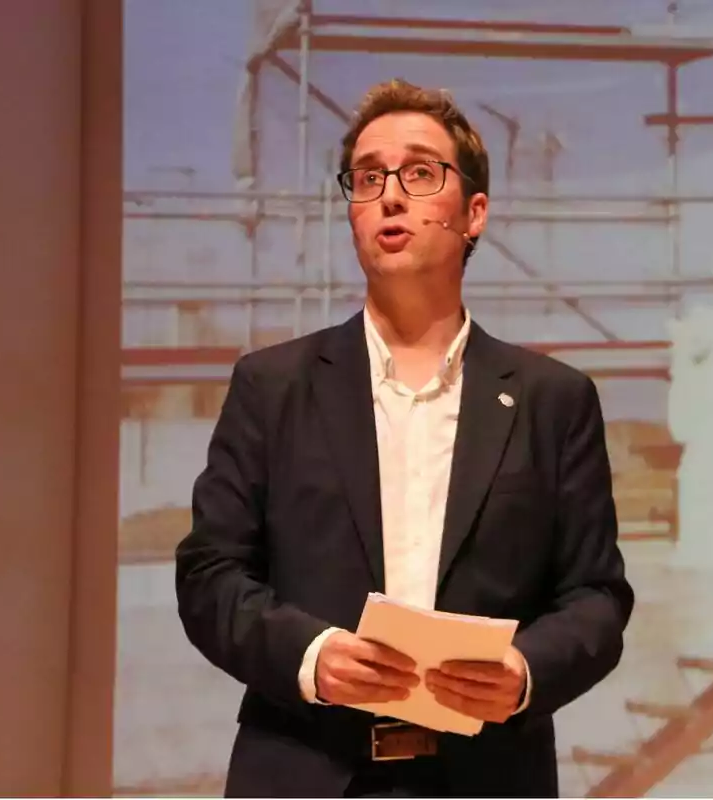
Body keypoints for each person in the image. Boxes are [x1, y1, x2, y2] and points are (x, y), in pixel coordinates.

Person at [174, 78, 634, 798]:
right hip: (307, 770)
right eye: (367, 177)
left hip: (487, 775)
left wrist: (522, 673)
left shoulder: (553, 400)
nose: (390, 194)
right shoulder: (273, 387)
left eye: (420, 172)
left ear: (473, 213)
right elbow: (210, 574)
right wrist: (312, 655)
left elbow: (596, 597)